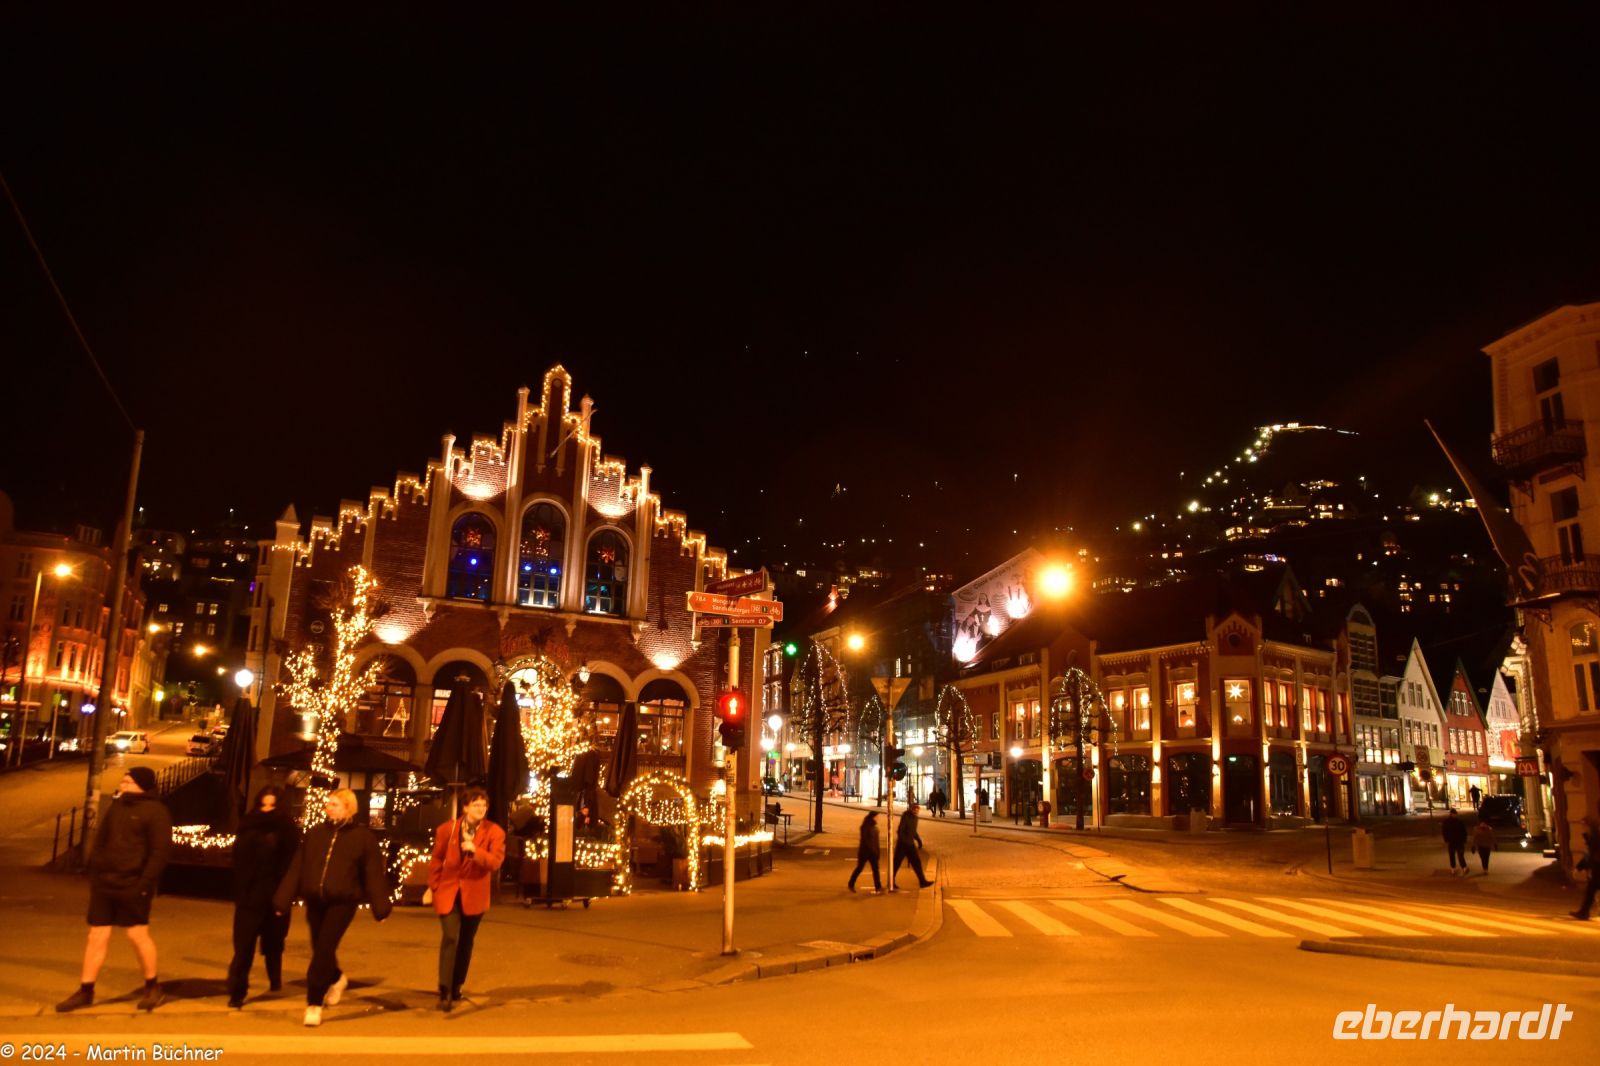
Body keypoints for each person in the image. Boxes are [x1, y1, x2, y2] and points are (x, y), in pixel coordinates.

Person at [56, 766, 172, 1013]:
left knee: (137, 936)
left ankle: (153, 986)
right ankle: (86, 990)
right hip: (105, 883)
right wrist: (95, 874)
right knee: (96, 936)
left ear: (141, 784)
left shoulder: (157, 812)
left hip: (134, 884)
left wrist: (144, 884)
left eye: (128, 781)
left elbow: (159, 853)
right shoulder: (117, 807)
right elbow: (101, 842)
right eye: (124, 780)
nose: (123, 783)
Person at [273, 788, 391, 1028]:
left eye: (335, 804)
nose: (329, 807)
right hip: (316, 901)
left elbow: (372, 874)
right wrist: (282, 900)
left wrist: (380, 907)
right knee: (320, 949)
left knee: (323, 949)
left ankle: (314, 1003)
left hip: (343, 902)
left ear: (348, 808)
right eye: (329, 803)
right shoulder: (316, 833)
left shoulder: (362, 838)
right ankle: (337, 978)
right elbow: (298, 866)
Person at [427, 787, 506, 1011]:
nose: (480, 809)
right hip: (449, 891)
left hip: (475, 893)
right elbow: (436, 859)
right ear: (465, 807)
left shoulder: (494, 832)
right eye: (475, 805)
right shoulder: (447, 829)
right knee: (451, 936)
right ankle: (444, 988)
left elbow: (495, 862)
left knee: (466, 941)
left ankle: (456, 984)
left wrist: (475, 851)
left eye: (483, 805)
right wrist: (434, 885)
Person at [226, 786, 300, 1008]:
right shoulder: (248, 823)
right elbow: (238, 856)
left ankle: (274, 978)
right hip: (249, 895)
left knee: (274, 942)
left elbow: (290, 862)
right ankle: (237, 991)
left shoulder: (286, 827)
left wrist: (285, 895)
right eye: (264, 804)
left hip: (274, 894)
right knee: (243, 945)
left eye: (272, 805)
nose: (267, 809)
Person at [893, 801, 934, 889]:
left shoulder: (915, 818)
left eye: (918, 809)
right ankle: (891, 881)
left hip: (910, 844)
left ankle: (922, 881)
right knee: (896, 863)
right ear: (911, 809)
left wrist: (919, 840)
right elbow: (900, 830)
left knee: (916, 863)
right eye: (915, 809)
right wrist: (903, 840)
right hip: (902, 844)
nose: (916, 811)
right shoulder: (906, 816)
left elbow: (913, 831)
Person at [1572, 815, 1600, 921]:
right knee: (1591, 890)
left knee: (1591, 890)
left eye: (1583, 825)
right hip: (1596, 867)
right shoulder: (1591, 835)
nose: (1582, 827)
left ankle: (1584, 912)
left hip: (1598, 867)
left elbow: (1591, 854)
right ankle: (1584, 912)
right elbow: (1588, 855)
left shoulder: (1595, 835)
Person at [846, 811, 881, 893]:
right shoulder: (865, 826)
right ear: (873, 817)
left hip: (873, 852)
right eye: (877, 817)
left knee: (875, 870)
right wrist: (872, 850)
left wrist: (877, 852)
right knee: (859, 868)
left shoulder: (875, 827)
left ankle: (878, 887)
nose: (878, 818)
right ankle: (851, 883)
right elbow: (865, 840)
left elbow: (876, 842)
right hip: (865, 852)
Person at [1441, 808, 1468, 876]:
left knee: (1459, 855)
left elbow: (1464, 831)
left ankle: (1463, 867)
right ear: (1451, 814)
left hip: (1457, 841)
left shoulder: (1458, 821)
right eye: (1454, 814)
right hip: (1453, 841)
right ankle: (1454, 867)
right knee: (1453, 855)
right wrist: (1446, 839)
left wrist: (1464, 839)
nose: (1455, 815)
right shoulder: (1449, 822)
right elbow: (1444, 831)